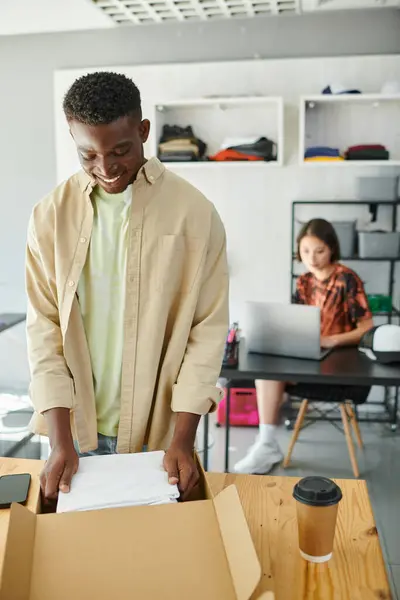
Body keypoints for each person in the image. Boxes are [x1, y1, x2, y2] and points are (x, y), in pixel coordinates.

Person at [26, 72, 229, 501]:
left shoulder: (194, 213)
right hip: (75, 432)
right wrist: (60, 438)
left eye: (120, 150)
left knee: (154, 559)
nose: (106, 167)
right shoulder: (49, 217)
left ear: (143, 131)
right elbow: (44, 329)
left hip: (160, 435)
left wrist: (183, 438)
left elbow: (206, 331)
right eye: (88, 155)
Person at [234, 218, 373, 475]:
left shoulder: (347, 280)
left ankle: (266, 444)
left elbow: (366, 326)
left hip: (341, 362)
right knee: (267, 371)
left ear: (331, 248)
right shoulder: (304, 282)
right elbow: (296, 321)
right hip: (309, 355)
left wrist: (331, 339)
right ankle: (266, 444)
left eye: (319, 251)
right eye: (306, 251)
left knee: (270, 376)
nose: (312, 258)